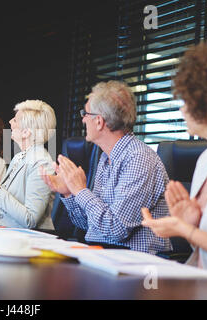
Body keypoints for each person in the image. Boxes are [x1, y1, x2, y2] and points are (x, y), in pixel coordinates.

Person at [41, 80, 171, 254]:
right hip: (105, 255)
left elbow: (116, 230)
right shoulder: (106, 158)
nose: (83, 119)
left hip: (133, 264)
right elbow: (91, 224)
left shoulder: (138, 159)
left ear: (99, 121)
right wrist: (69, 193)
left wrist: (81, 191)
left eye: (86, 113)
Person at [141, 42, 207, 275]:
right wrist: (190, 225)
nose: (182, 111)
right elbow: (203, 248)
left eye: (186, 100)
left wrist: (186, 230)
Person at [0, 100, 56, 229]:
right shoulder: (19, 157)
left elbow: (30, 219)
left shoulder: (41, 162)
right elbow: (2, 211)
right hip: (5, 236)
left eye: (15, 120)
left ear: (26, 132)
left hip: (27, 243)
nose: (10, 122)